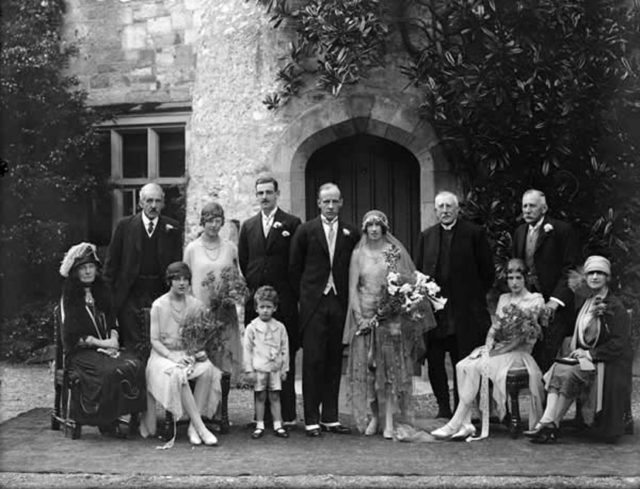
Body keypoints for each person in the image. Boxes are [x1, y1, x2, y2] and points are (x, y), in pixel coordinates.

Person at [431, 258, 546, 440]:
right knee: (462, 365)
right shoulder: (504, 299)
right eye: (510, 278)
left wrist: (496, 352)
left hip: (519, 354)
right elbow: (496, 328)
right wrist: (489, 346)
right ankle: (466, 423)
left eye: (518, 277)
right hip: (499, 349)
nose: (514, 282)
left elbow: (523, 336)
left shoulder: (535, 300)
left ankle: (455, 423)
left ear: (526, 278)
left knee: (476, 366)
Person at [343, 210, 434, 439]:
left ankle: (391, 419)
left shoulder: (392, 252)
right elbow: (353, 288)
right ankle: (374, 416)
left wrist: (387, 310)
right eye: (369, 226)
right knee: (369, 370)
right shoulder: (358, 254)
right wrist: (359, 317)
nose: (373, 229)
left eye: (377, 225)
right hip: (364, 317)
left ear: (384, 228)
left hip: (388, 318)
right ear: (365, 229)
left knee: (390, 371)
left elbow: (399, 284)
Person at [524, 255, 632, 443]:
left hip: (607, 362)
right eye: (591, 273)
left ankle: (549, 424)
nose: (595, 277)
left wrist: (590, 353)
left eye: (600, 273)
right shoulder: (587, 302)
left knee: (567, 373)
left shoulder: (614, 306)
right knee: (558, 369)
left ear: (607, 277)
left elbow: (619, 343)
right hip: (587, 360)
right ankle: (549, 424)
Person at [414, 191, 495, 418]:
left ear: (457, 209)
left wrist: (471, 297)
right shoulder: (427, 236)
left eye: (449, 206)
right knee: (435, 362)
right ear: (435, 210)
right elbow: (419, 272)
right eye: (440, 207)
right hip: (435, 315)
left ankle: (463, 407)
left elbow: (487, 272)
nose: (445, 211)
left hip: (464, 313)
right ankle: (443, 407)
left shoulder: (474, 234)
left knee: (464, 362)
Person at [290, 182, 360, 437]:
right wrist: (306, 298)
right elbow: (294, 268)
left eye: (335, 201)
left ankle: (330, 417)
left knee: (333, 361)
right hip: (314, 305)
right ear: (318, 203)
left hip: (339, 303)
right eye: (326, 201)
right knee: (313, 361)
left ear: (341, 203)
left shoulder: (351, 233)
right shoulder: (305, 231)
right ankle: (311, 418)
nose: (330, 206)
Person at [58, 242, 146, 436]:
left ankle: (125, 416)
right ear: (75, 271)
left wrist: (113, 339)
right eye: (83, 268)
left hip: (107, 349)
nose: (88, 271)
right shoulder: (69, 297)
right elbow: (72, 337)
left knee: (135, 364)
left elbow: (113, 319)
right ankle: (103, 419)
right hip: (81, 354)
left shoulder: (102, 291)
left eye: (91, 267)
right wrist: (102, 343)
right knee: (109, 372)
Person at [238, 175, 302, 427]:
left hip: (283, 300)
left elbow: (296, 260)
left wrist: (287, 293)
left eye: (268, 192)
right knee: (258, 355)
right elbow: (245, 260)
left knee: (281, 354)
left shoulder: (291, 223)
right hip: (258, 300)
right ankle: (260, 416)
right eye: (260, 193)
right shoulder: (249, 226)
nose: (264, 197)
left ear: (277, 194)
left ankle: (285, 414)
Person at [141, 262, 221, 446]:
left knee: (208, 369)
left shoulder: (196, 305)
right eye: (177, 279)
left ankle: (193, 426)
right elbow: (154, 340)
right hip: (162, 357)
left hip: (188, 353)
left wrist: (197, 351)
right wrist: (172, 356)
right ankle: (201, 428)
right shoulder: (159, 305)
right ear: (170, 281)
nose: (182, 283)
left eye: (185, 279)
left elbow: (202, 336)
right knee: (178, 373)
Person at [104, 183, 182, 358]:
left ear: (163, 203)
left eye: (157, 201)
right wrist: (108, 296)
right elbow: (111, 264)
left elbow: (177, 265)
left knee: (159, 340)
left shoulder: (173, 227)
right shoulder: (124, 226)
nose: (153, 206)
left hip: (160, 292)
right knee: (132, 343)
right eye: (149, 201)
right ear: (140, 203)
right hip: (131, 293)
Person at [512, 189, 580, 372]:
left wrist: (554, 302)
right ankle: (534, 399)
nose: (527, 210)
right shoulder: (519, 232)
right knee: (527, 357)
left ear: (544, 208)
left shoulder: (561, 230)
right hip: (528, 306)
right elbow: (517, 267)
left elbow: (570, 270)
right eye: (524, 206)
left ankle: (549, 399)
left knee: (547, 358)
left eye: (532, 206)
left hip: (554, 306)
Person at [184, 202, 243, 384]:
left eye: (218, 220)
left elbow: (237, 277)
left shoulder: (230, 248)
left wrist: (231, 294)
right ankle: (200, 409)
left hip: (224, 313)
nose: (214, 225)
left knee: (223, 361)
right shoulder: (192, 249)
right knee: (202, 360)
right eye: (209, 221)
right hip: (201, 313)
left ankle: (222, 409)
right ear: (203, 222)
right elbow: (185, 282)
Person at [243, 286, 290, 439]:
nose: (265, 310)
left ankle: (278, 424)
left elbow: (285, 349)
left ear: (275, 308)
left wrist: (284, 368)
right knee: (260, 396)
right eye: (262, 307)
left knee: (275, 396)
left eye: (269, 307)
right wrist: (249, 370)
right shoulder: (252, 328)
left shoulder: (280, 327)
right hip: (259, 368)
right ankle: (260, 424)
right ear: (256, 308)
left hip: (275, 368)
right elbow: (247, 349)